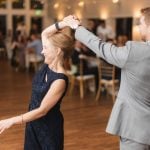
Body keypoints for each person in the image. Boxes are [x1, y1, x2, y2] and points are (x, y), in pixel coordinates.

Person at [62, 7, 150, 150]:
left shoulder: (136, 51)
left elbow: (102, 48)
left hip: (135, 130)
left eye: (140, 23)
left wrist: (77, 27)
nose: (138, 27)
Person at [0, 20, 74, 149]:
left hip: (48, 128)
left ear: (57, 51)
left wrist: (11, 121)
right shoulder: (47, 64)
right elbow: (45, 33)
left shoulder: (59, 80)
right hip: (32, 121)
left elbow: (42, 110)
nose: (42, 51)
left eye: (46, 48)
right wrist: (65, 22)